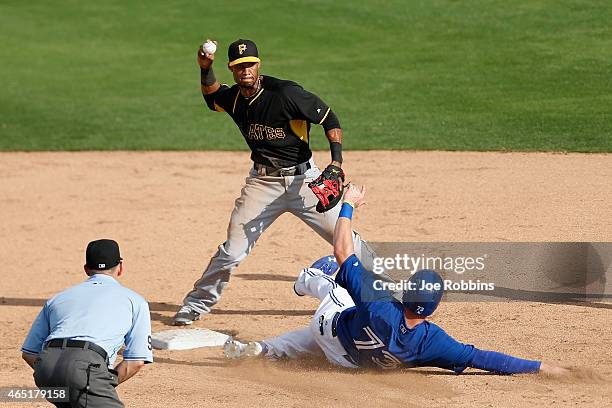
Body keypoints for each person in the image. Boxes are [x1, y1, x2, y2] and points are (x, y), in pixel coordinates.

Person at [224, 185, 568, 376]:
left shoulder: (380, 300)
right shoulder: (433, 342)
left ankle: (302, 282)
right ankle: (265, 349)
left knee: (331, 277)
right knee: (307, 341)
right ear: (432, 309)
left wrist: (348, 205)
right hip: (347, 361)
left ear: (406, 292)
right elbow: (484, 359)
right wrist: (541, 367)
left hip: (331, 327)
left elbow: (344, 250)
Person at [173, 38, 375, 325]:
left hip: (304, 180)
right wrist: (205, 68)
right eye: (239, 66)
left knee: (343, 237)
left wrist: (336, 162)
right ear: (232, 69)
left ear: (258, 64)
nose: (245, 70)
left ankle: (383, 286)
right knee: (231, 251)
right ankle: (196, 304)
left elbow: (329, 118)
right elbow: (211, 96)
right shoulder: (234, 100)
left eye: (250, 64)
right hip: (262, 184)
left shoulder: (286, 93)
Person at [21, 239, 153, 407]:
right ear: (120, 267)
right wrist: (103, 380)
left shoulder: (58, 298)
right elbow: (135, 362)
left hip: (46, 370)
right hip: (86, 368)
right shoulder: (135, 301)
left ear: (86, 269)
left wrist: (54, 372)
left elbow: (29, 353)